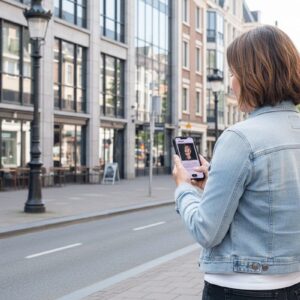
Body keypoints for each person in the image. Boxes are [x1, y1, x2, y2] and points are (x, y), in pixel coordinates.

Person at [173, 25, 300, 299]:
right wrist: (213, 184)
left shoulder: (240, 138)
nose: (231, 81)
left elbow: (207, 231)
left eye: (233, 72)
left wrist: (184, 188)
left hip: (241, 288)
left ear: (252, 76)